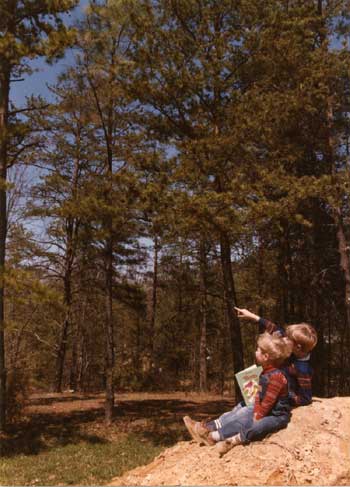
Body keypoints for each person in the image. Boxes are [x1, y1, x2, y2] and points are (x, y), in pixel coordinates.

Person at [183, 331, 292, 455]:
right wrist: (255, 410)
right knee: (241, 414)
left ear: (266, 356)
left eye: (258, 350)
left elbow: (268, 402)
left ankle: (223, 438)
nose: (255, 351)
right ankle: (210, 432)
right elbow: (259, 396)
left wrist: (256, 415)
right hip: (266, 410)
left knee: (253, 424)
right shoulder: (264, 372)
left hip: (277, 416)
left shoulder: (276, 377)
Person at [234, 307, 318, 406]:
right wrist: (252, 316)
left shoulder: (302, 369)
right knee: (247, 380)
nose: (284, 338)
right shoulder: (293, 346)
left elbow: (305, 399)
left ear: (298, 347)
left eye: (287, 338)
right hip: (269, 385)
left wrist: (287, 397)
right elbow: (274, 328)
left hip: (278, 395)